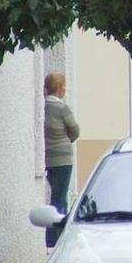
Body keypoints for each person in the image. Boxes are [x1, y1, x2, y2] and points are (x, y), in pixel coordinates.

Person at [43, 72, 80, 248]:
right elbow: (75, 130)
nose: (65, 89)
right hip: (63, 158)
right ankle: (58, 237)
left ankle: (50, 237)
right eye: (64, 86)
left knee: (54, 196)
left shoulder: (44, 107)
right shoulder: (62, 108)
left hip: (48, 158)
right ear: (59, 88)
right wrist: (67, 139)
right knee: (61, 198)